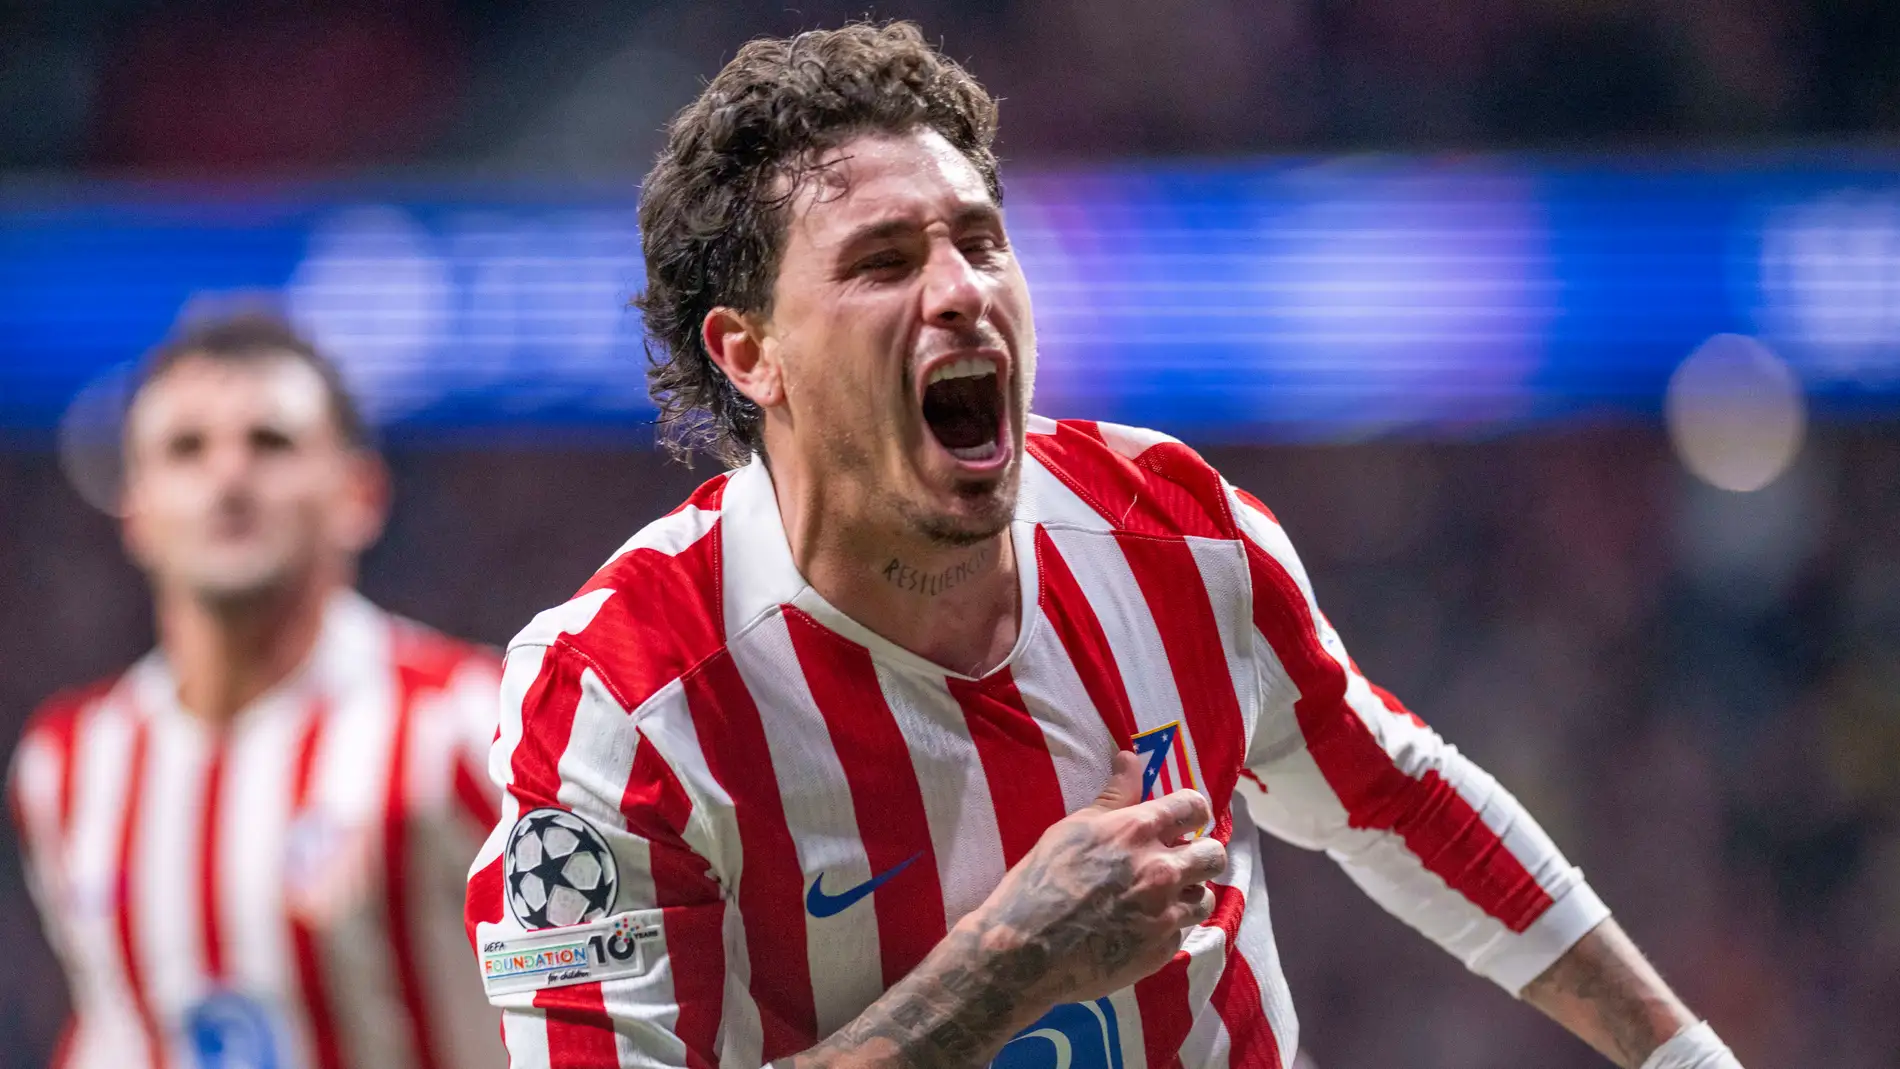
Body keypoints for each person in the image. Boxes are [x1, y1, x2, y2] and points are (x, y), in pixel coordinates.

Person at [464, 22, 1742, 1069]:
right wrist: (1001, 969)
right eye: (884, 260)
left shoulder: (1171, 530)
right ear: (750, 353)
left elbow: (1393, 790)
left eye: (979, 240)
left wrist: (1680, 1052)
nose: (962, 287)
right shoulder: (616, 704)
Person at [9, 313, 506, 1069]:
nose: (229, 477)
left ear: (358, 495)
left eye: (269, 443)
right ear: (136, 509)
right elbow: (109, 1024)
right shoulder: (67, 763)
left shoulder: (474, 720)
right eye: (187, 449)